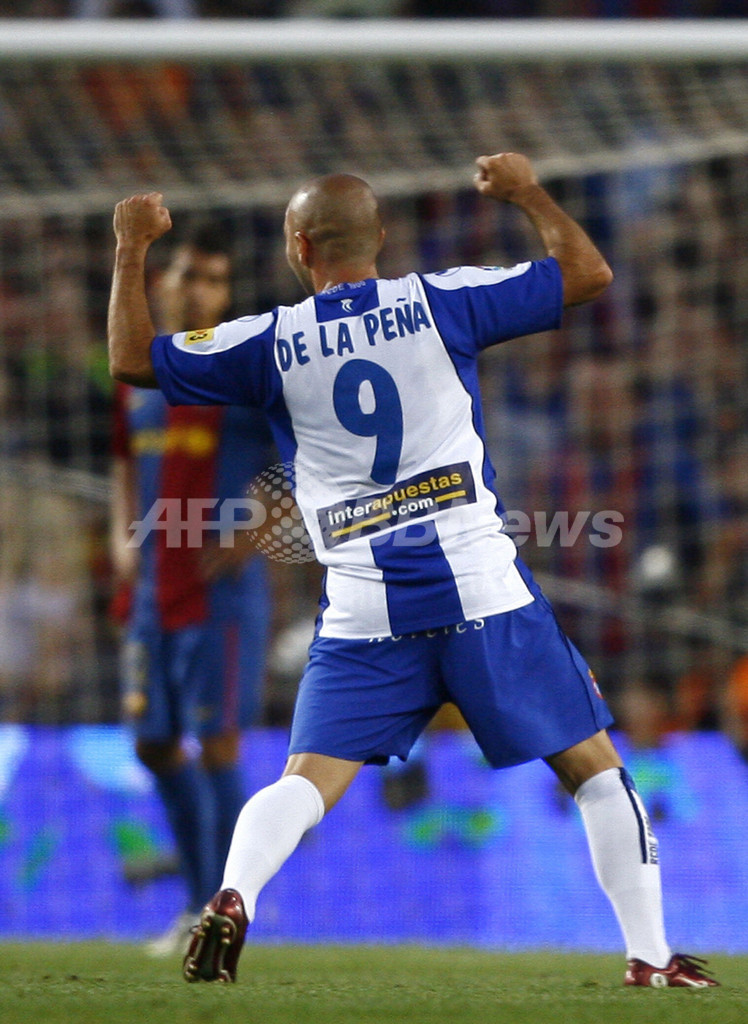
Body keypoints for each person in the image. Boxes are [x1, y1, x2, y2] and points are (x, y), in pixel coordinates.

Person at [107, 152, 718, 988]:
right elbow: (588, 274)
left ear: (298, 246)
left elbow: (132, 362)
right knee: (594, 770)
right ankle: (649, 957)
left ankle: (233, 893)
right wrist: (527, 193)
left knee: (305, 783)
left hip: (364, 611)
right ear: (381, 239)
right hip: (483, 594)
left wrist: (131, 246)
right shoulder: (441, 301)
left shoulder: (267, 342)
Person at [109, 224, 275, 956]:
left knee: (216, 743)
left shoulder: (243, 374)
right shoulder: (137, 377)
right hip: (153, 591)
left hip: (220, 595)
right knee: (151, 744)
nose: (200, 290)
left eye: (214, 279)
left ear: (227, 293)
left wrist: (257, 528)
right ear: (163, 284)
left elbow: (304, 455)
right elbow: (123, 465)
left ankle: (221, 911)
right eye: (189, 276)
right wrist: (122, 536)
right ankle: (196, 902)